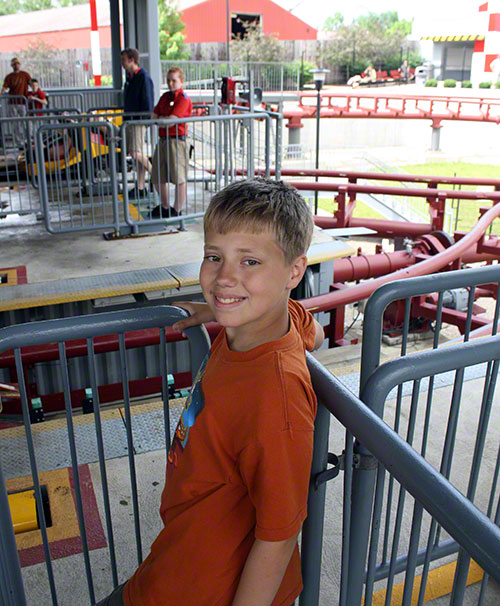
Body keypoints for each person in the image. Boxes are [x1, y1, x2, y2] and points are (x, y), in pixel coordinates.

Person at [96, 177, 324, 606]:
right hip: (180, 558)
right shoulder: (259, 326)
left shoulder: (277, 399)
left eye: (250, 262)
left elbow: (278, 535)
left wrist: (228, 305)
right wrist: (221, 309)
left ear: (295, 271)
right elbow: (305, 322)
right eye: (214, 257)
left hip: (204, 589)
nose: (224, 278)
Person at [150, 66, 192, 218]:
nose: (170, 83)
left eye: (174, 80)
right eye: (168, 80)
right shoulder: (165, 97)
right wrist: (163, 121)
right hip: (163, 140)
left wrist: (161, 121)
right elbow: (154, 116)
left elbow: (171, 121)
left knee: (179, 177)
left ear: (181, 81)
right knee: (157, 175)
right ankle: (165, 206)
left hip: (177, 141)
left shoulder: (183, 99)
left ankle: (177, 209)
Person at [121, 48, 154, 200]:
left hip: (137, 120)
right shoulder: (130, 78)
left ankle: (155, 176)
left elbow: (147, 100)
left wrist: (143, 118)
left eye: (124, 60)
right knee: (137, 152)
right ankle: (140, 186)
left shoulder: (142, 77)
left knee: (135, 152)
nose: (122, 63)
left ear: (131, 60)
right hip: (131, 120)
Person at [1, 57, 31, 146]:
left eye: (17, 64)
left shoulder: (25, 74)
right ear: (12, 66)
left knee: (26, 122)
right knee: (15, 123)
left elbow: (32, 84)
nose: (16, 66)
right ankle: (19, 142)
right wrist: (1, 93)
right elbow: (5, 87)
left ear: (20, 65)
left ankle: (28, 140)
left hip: (22, 102)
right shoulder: (9, 77)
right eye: (14, 64)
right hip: (12, 103)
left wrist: (37, 92)